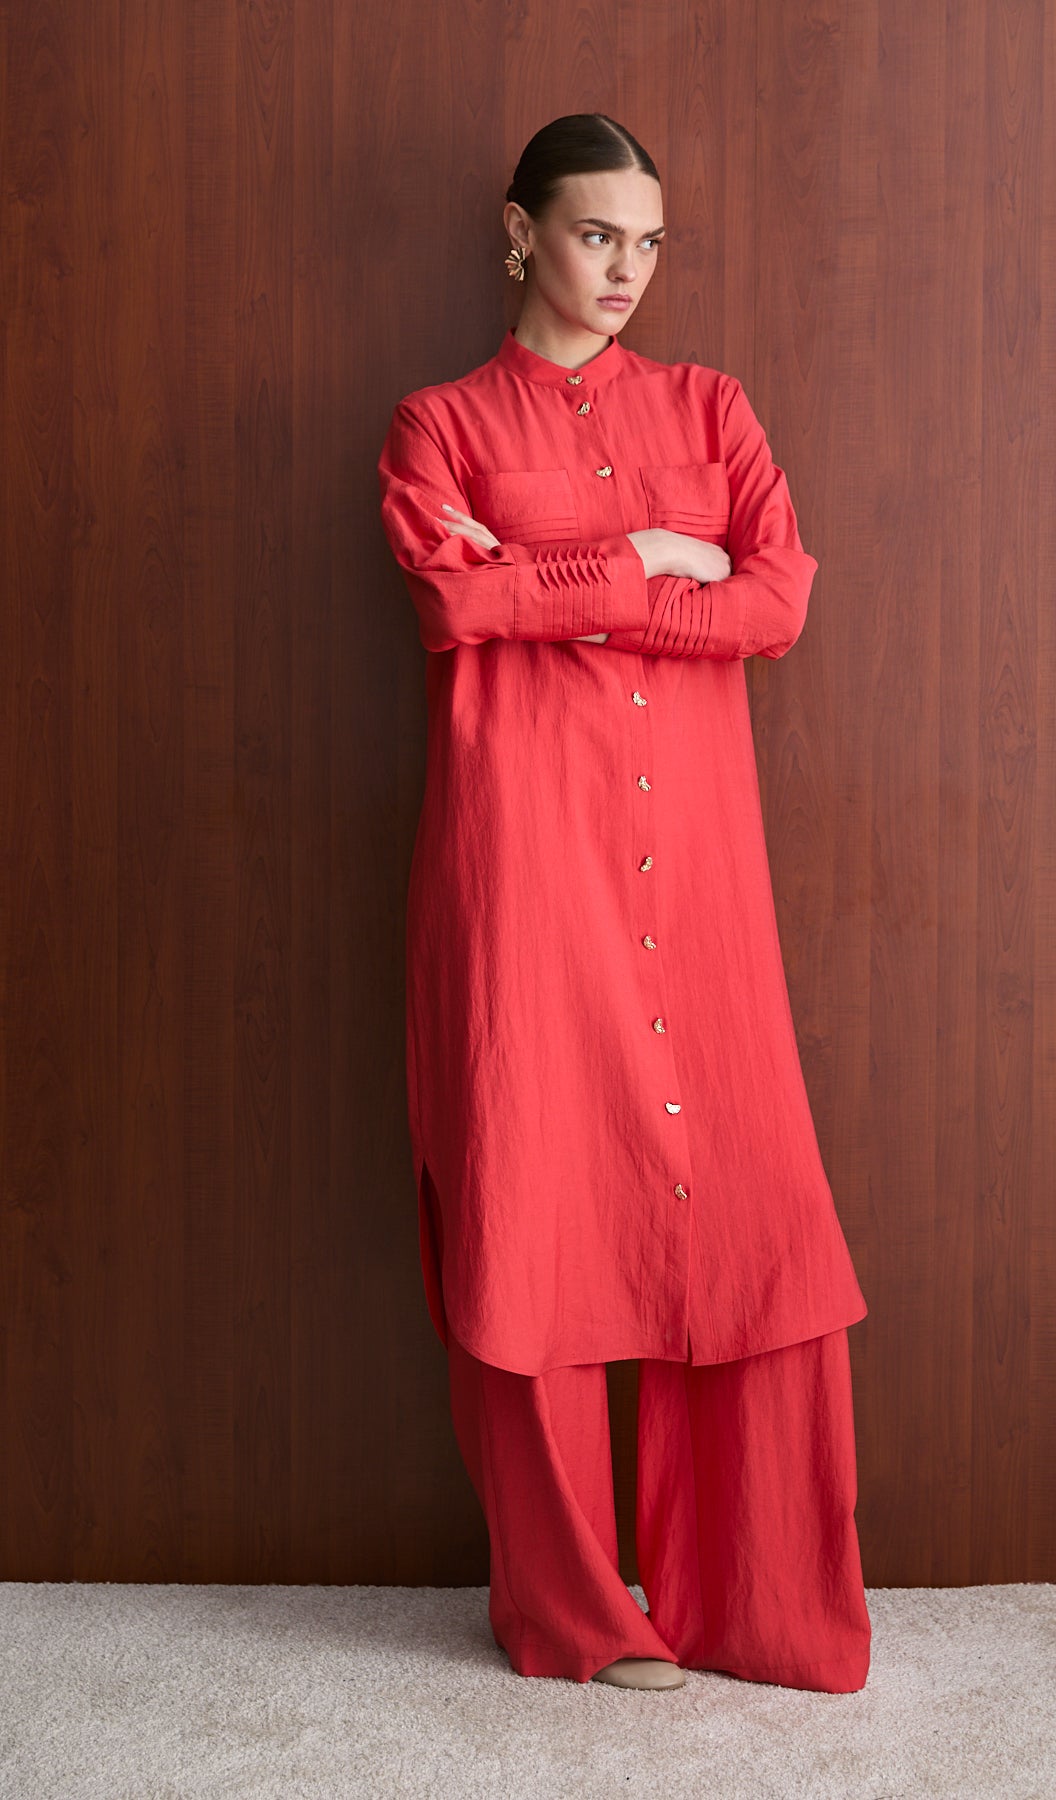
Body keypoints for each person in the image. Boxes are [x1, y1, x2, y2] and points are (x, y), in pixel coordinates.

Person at [377, 113, 872, 1694]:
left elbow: (776, 601)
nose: (626, 272)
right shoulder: (439, 428)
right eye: (598, 236)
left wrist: (558, 585)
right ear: (522, 231)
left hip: (700, 878)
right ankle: (575, 1614)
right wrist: (653, 557)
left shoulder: (712, 407)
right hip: (524, 868)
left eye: (648, 243)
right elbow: (452, 598)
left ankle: (755, 1602)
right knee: (536, 1202)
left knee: (747, 1206)